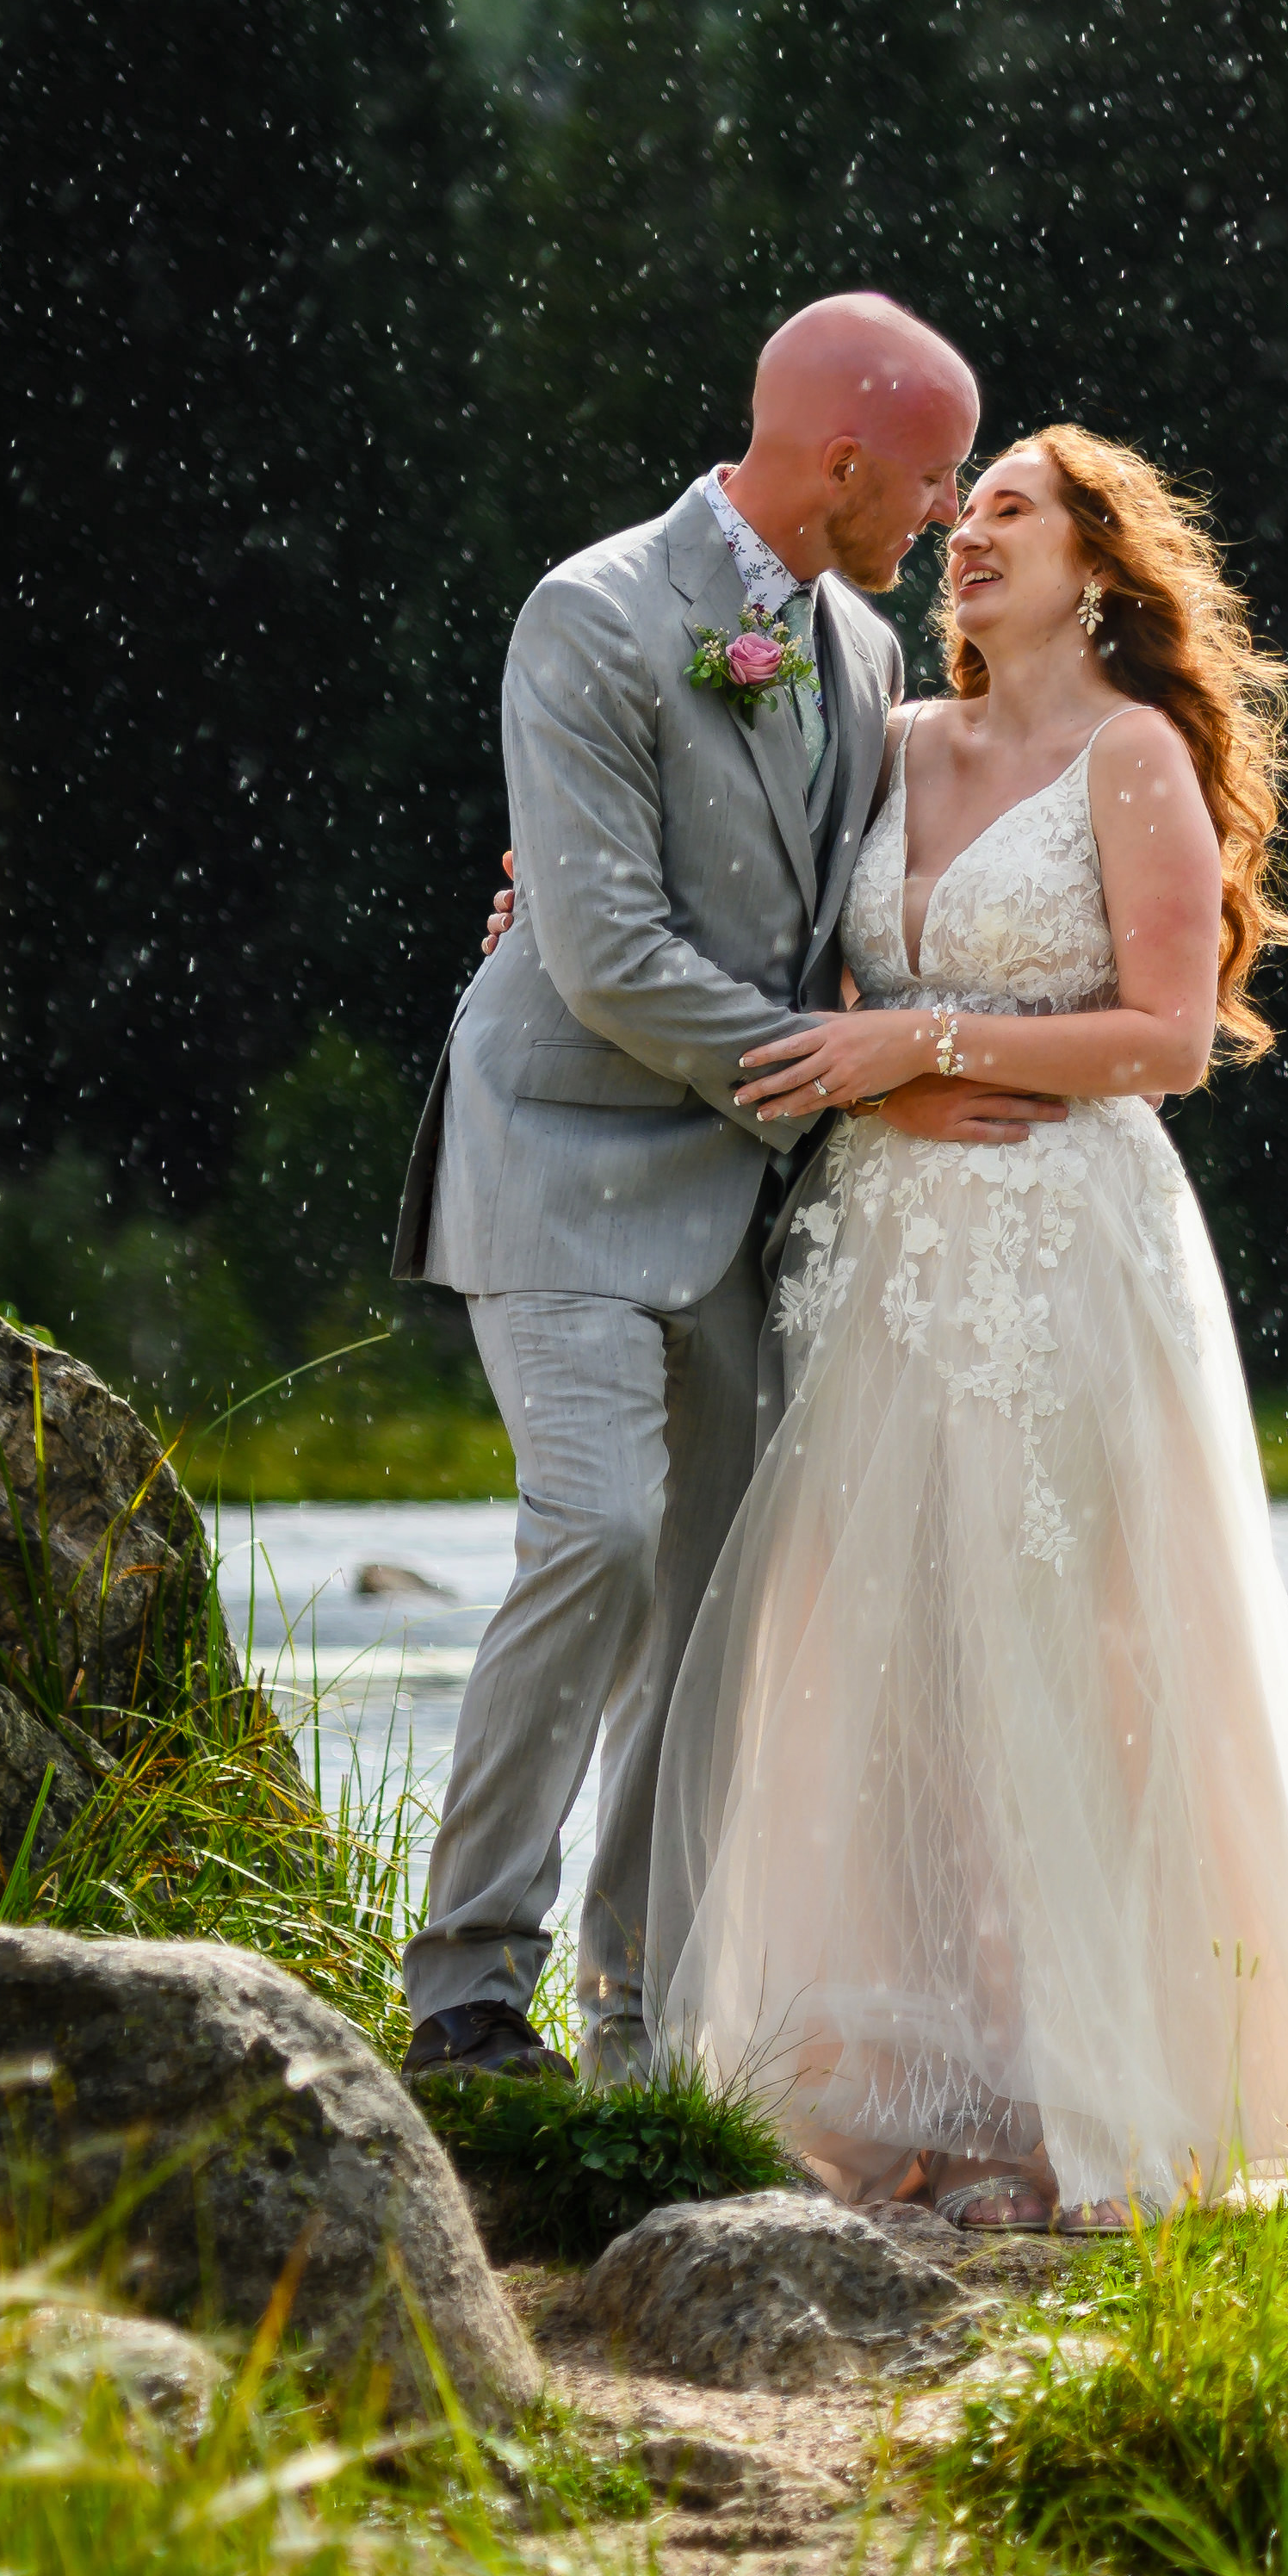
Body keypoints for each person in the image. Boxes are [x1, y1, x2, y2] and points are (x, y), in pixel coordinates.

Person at [643, 426, 1288, 2231]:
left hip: (1066, 1249)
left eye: (1014, 512)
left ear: (1099, 561)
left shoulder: (1131, 754)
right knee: (881, 1658)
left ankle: (1075, 2103)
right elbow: (774, 934)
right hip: (880, 1247)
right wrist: (566, 882)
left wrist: (924, 1043)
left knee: (1074, 1654)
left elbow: (1163, 1037)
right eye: (963, 511)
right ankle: (898, 2084)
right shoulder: (892, 739)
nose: (968, 536)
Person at [386, 295, 1049, 2085]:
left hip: (744, 1190)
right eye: (924, 481)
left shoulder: (860, 648)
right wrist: (838, 1072)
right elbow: (601, 954)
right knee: (593, 1529)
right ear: (840, 462)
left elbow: (858, 916)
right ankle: (463, 1986)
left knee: (723, 1594)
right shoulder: (593, 615)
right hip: (566, 1155)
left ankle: (640, 2011)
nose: (942, 514)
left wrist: (941, 1039)